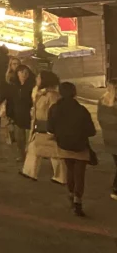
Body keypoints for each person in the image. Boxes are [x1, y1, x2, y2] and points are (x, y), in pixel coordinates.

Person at [49, 81, 96, 216]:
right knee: (79, 173)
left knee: (69, 169)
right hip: (80, 145)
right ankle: (78, 200)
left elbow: (50, 128)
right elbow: (91, 131)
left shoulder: (54, 109)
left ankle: (70, 193)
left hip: (63, 145)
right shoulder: (81, 110)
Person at [21, 70, 66, 185]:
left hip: (48, 126)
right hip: (39, 125)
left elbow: (55, 112)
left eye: (39, 78)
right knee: (34, 147)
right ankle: (29, 172)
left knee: (54, 152)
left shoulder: (52, 95)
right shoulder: (40, 93)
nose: (37, 79)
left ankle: (61, 176)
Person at [6, 64, 34, 159]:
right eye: (22, 72)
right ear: (17, 73)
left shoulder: (32, 87)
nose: (24, 74)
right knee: (19, 138)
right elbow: (10, 101)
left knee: (29, 137)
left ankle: (29, 155)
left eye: (26, 72)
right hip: (17, 115)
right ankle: (21, 154)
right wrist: (9, 114)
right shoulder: (13, 86)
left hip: (29, 115)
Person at [97, 79, 117, 201]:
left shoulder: (102, 101)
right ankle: (115, 189)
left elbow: (102, 120)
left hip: (109, 138)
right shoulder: (108, 103)